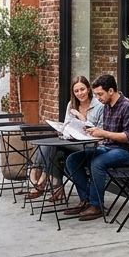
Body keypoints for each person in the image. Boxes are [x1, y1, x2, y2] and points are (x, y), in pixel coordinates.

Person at [63, 74, 129, 221]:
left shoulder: (128, 107)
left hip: (127, 152)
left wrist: (104, 133)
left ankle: (96, 205)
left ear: (111, 91)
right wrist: (90, 132)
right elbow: (104, 133)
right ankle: (86, 200)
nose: (97, 98)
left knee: (97, 162)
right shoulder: (107, 106)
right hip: (108, 148)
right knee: (72, 159)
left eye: (100, 94)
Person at [26, 75, 103, 203]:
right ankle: (56, 187)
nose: (80, 93)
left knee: (54, 146)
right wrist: (62, 130)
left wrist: (79, 116)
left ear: (89, 89)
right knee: (56, 151)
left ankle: (41, 176)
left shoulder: (99, 105)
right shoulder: (71, 105)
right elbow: (68, 126)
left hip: (91, 144)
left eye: (82, 89)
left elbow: (99, 132)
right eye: (76, 91)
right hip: (72, 143)